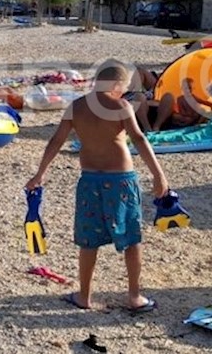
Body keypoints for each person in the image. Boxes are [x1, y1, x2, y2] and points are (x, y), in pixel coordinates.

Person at [25, 62, 169, 313]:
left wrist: (40, 173)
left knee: (88, 241)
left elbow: (56, 140)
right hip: (120, 181)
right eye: (122, 89)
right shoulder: (121, 106)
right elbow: (139, 139)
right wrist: (159, 175)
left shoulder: (76, 107)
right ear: (116, 86)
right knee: (131, 238)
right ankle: (134, 297)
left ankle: (84, 296)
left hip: (89, 180)